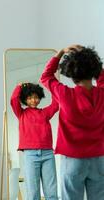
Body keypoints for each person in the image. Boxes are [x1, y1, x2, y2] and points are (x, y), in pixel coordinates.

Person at [40, 45, 104, 200]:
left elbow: (46, 76)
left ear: (72, 74)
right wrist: (90, 59)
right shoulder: (102, 94)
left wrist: (60, 53)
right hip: (100, 158)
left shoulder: (64, 94)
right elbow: (101, 77)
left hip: (73, 160)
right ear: (94, 71)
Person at [10, 82, 59, 200]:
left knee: (51, 190)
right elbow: (13, 101)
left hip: (47, 154)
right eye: (30, 98)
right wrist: (19, 87)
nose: (34, 100)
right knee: (33, 191)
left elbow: (56, 104)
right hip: (30, 155)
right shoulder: (21, 113)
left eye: (36, 97)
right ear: (25, 99)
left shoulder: (45, 113)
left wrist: (52, 86)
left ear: (40, 98)